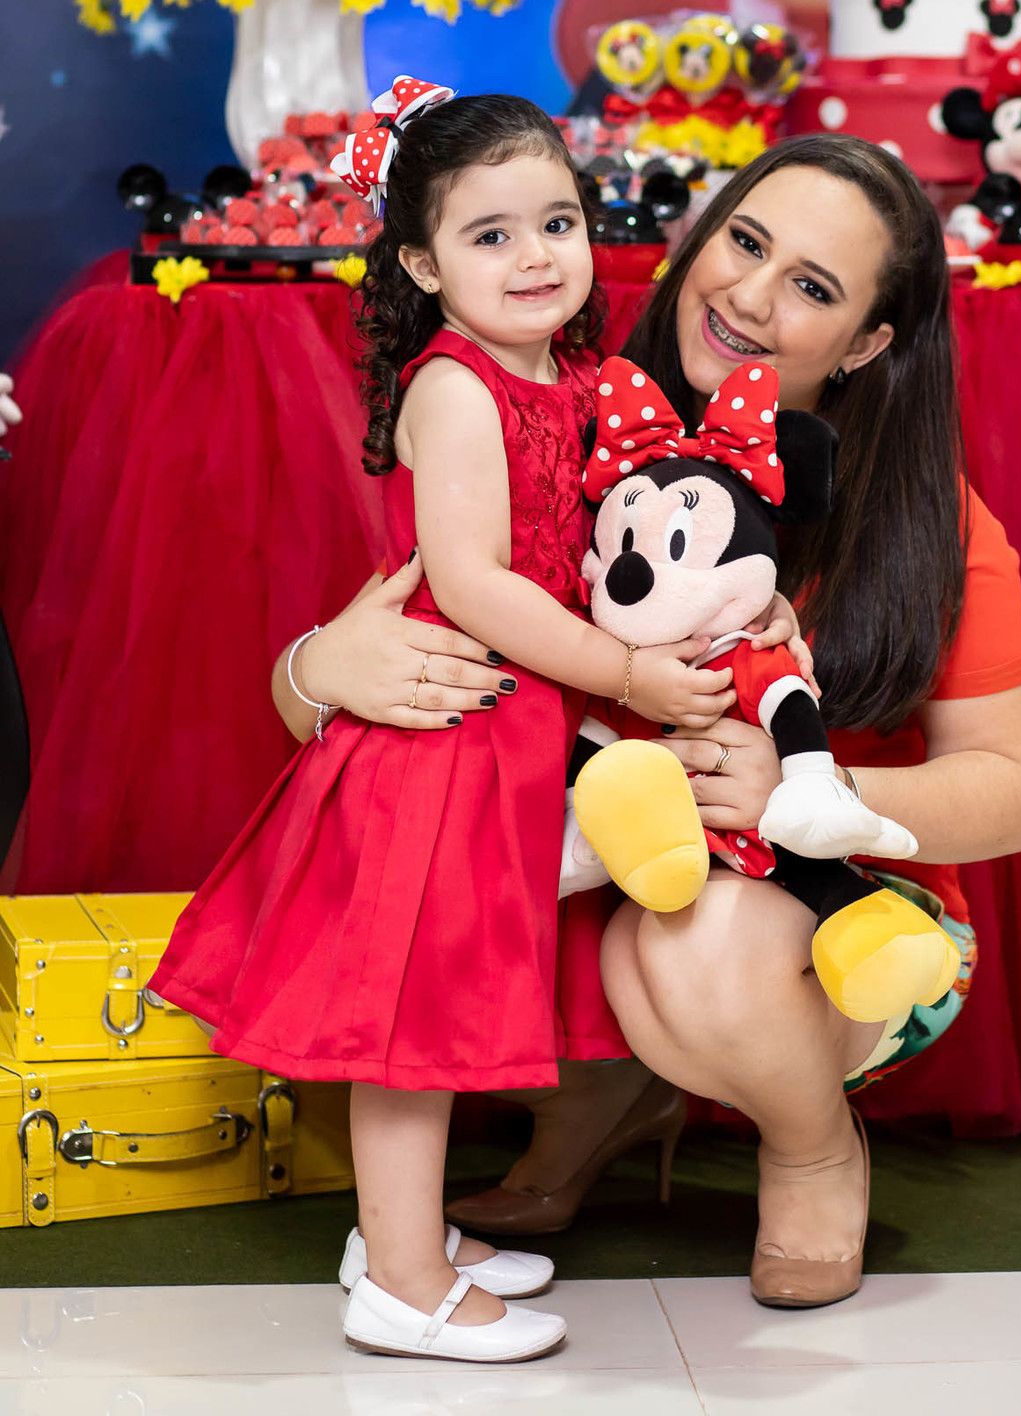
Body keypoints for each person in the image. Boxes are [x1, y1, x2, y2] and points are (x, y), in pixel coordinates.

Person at [274, 132, 1021, 1310]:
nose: (749, 296)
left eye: (813, 287)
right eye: (745, 243)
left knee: (693, 939)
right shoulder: (561, 418)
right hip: (599, 874)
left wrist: (811, 790)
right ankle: (610, 1097)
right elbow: (357, 704)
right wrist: (318, 666)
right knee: (472, 860)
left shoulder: (925, 518)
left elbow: (1015, 792)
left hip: (829, 923)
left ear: (868, 342)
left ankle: (812, 1149)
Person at [152, 85, 749, 1365]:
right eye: (490, 235)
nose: (536, 256)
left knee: (459, 999)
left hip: (516, 732)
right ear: (422, 265)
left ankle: (403, 1235)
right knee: (411, 1027)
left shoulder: (574, 373)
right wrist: (629, 675)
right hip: (447, 736)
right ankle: (403, 1285)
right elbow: (474, 582)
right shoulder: (457, 387)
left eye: (557, 222)